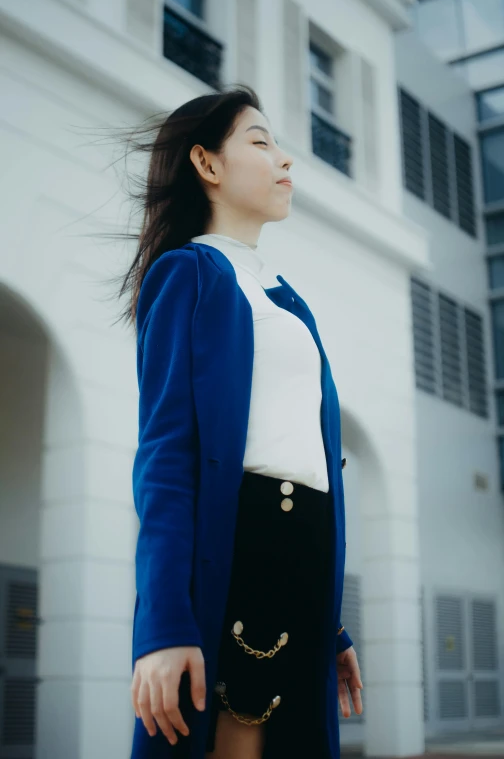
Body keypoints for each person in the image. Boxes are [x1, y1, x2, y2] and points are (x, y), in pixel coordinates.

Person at [125, 84, 363, 759]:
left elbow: (302, 449)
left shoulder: (287, 300)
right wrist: (163, 624)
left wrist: (335, 628)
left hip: (305, 565)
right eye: (261, 141)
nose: (286, 160)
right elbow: (166, 457)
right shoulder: (188, 275)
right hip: (245, 554)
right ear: (206, 164)